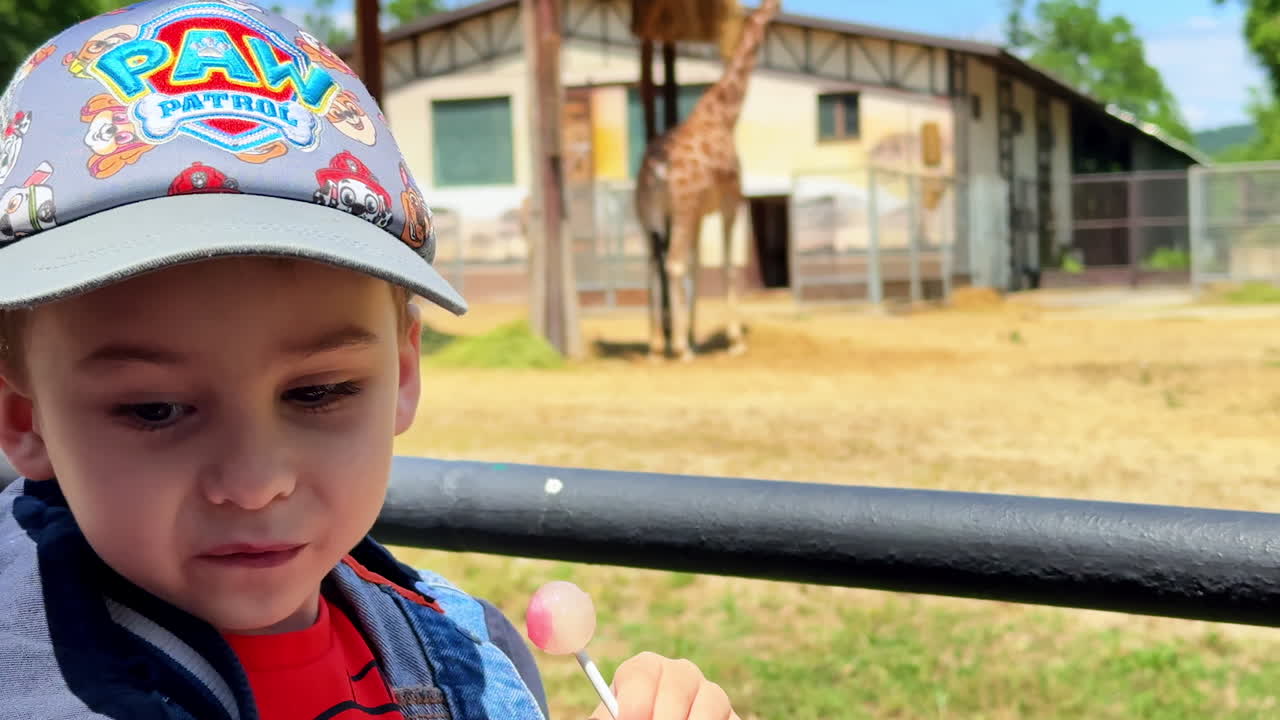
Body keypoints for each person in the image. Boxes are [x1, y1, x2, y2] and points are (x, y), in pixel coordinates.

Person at [0, 2, 740, 719]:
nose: (257, 484)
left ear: (404, 376)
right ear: (22, 415)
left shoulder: (468, 655)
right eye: (154, 409)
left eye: (320, 392)